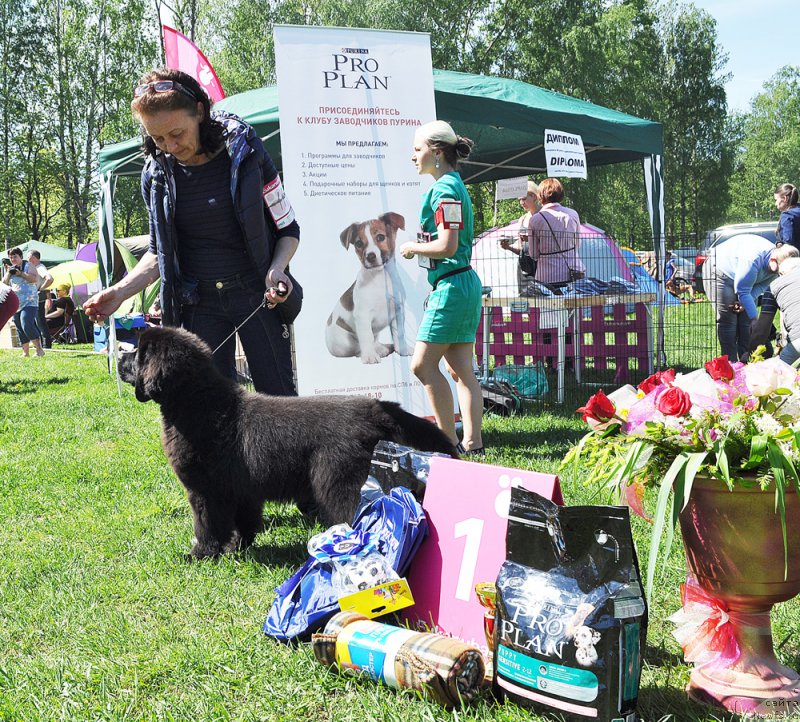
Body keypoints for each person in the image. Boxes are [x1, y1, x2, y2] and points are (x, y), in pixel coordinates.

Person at [83, 68, 300, 395]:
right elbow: (159, 254)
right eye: (156, 138)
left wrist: (276, 269)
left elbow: (288, 228)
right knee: (208, 409)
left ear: (199, 111)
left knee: (280, 402)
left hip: (257, 296)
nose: (169, 146)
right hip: (198, 305)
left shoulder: (248, 155)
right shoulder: (154, 176)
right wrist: (120, 292)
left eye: (177, 133)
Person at [399, 120, 484, 455]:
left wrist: (413, 247)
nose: (413, 157)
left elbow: (447, 246)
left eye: (417, 150)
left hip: (451, 286)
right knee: (462, 369)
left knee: (421, 365)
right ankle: (473, 444)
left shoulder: (444, 190)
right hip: (463, 282)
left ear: (435, 152)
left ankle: (447, 444)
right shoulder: (454, 185)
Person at [702, 235, 798, 362]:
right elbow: (742, 290)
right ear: (774, 260)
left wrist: (746, 306)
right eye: (779, 272)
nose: (780, 275)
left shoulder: (776, 268)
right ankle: (730, 364)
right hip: (720, 270)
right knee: (729, 321)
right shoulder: (753, 259)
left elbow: (761, 287)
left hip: (744, 282)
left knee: (746, 323)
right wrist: (755, 318)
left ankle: (748, 362)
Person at [524, 177, 585, 287]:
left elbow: (534, 254)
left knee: (549, 304)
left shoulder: (535, 220)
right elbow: (577, 245)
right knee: (572, 304)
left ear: (540, 195)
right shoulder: (573, 214)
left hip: (547, 276)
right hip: (573, 272)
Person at [2, 247, 45, 357]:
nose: (13, 259)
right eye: (11, 257)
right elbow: (4, 284)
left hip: (30, 301)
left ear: (20, 256)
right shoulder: (11, 269)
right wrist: (8, 272)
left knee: (26, 323)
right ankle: (25, 352)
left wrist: (20, 273)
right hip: (16, 303)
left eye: (15, 256)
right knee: (19, 327)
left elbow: (34, 279)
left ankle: (39, 349)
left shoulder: (28, 265)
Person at [770, 256, 800, 364]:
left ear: (782, 273)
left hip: (797, 339)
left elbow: (762, 328)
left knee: (780, 372)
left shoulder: (775, 285)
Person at [28, 250, 54, 348]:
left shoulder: (40, 268)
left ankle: (46, 344)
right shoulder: (36, 268)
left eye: (29, 257)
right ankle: (42, 343)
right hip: (35, 297)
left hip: (39, 297)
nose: (28, 259)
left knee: (40, 321)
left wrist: (41, 288)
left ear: (34, 258)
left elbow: (50, 278)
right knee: (37, 321)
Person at [774, 183, 800, 249]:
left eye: (776, 200)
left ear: (785, 198)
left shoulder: (787, 215)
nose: (775, 204)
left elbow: (788, 243)